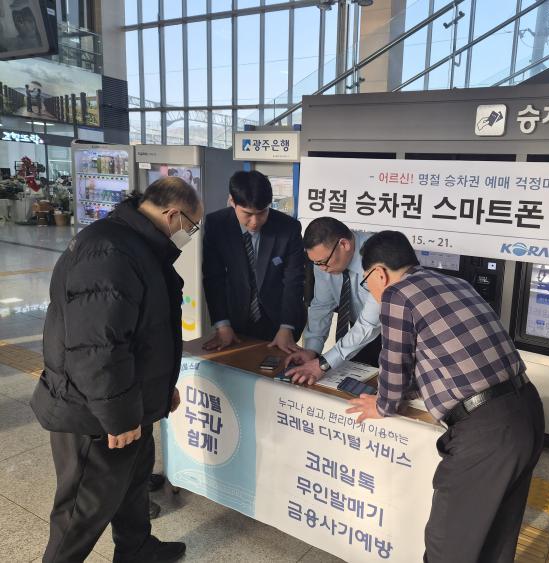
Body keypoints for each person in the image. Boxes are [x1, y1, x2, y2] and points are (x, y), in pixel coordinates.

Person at [30, 176, 204, 563]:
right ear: (173, 215)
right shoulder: (111, 251)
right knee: (81, 513)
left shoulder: (135, 244)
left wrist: (161, 388)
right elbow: (97, 347)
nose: (189, 234)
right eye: (191, 226)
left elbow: (142, 332)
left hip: (129, 400)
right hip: (95, 414)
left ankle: (136, 549)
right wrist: (119, 416)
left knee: (133, 483)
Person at [346, 231, 545, 563]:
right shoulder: (455, 283)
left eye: (367, 283)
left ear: (379, 273)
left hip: (487, 430)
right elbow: (441, 356)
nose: (373, 292)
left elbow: (394, 363)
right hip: (527, 409)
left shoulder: (398, 294)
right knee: (495, 537)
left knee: (448, 545)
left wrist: (382, 405)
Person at [202, 170, 306, 352]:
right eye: (247, 214)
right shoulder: (217, 224)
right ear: (232, 201)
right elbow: (213, 278)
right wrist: (222, 324)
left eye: (262, 212)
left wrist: (286, 326)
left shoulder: (288, 228)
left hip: (279, 320)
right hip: (234, 319)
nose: (255, 221)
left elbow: (294, 280)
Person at [284, 217, 381, 384]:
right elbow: (322, 305)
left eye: (323, 263)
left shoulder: (378, 256)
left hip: (393, 335)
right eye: (316, 263)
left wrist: (324, 363)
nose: (322, 269)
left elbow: (369, 324)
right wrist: (312, 350)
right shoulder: (323, 259)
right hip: (356, 335)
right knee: (355, 388)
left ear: (344, 244)